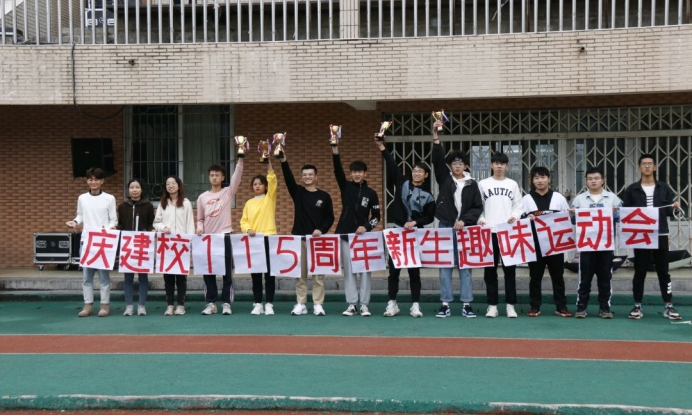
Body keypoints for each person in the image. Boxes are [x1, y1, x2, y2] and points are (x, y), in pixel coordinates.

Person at [377, 137, 436, 318]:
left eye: (420, 171)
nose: (416, 173)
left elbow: (430, 216)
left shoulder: (428, 195)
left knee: (414, 272)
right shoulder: (402, 183)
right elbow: (392, 165)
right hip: (397, 233)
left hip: (415, 236)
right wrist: (382, 147)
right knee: (393, 271)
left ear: (426, 175)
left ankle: (415, 305)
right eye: (414, 170)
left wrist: (416, 222)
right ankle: (392, 303)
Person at [432, 121, 483, 318]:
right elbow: (437, 160)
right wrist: (436, 138)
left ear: (466, 165)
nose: (458, 166)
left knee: (465, 267)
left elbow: (477, 207)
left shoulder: (472, 183)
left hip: (466, 229)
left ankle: (466, 304)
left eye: (461, 163)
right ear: (450, 166)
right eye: (454, 163)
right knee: (445, 266)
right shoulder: (445, 179)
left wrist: (465, 220)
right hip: (446, 227)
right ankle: (445, 304)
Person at [623, 154, 682, 321]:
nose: (647, 166)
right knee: (640, 271)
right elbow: (626, 212)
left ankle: (668, 305)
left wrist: (676, 207)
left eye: (650, 164)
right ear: (639, 168)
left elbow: (670, 212)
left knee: (663, 271)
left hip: (660, 233)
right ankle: (637, 305)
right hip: (641, 235)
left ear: (655, 167)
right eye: (644, 164)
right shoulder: (632, 189)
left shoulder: (664, 188)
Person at [280, 152, 335, 317]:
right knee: (300, 274)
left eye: (310, 174)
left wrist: (321, 230)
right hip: (299, 239)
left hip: (318, 241)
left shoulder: (324, 196)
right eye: (305, 175)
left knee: (318, 275)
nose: (307, 177)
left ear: (316, 177)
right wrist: (284, 161)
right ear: (301, 177)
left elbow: (330, 218)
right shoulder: (298, 192)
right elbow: (288, 178)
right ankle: (301, 303)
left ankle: (318, 304)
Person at [332, 143, 381, 317]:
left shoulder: (371, 193)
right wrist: (335, 151)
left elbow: (376, 217)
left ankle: (364, 305)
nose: (357, 174)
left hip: (364, 237)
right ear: (351, 174)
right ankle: (352, 304)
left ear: (365, 174)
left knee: (366, 270)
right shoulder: (345, 187)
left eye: (360, 171)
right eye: (354, 172)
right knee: (349, 270)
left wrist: (366, 227)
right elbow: (337, 171)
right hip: (346, 235)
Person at [569, 166, 622, 319]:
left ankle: (605, 307)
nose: (593, 181)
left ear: (602, 180)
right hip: (586, 246)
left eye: (596, 178)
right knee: (584, 278)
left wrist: (615, 213)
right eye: (590, 179)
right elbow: (572, 221)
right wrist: (573, 214)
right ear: (586, 181)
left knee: (605, 278)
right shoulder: (579, 199)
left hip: (606, 245)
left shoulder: (612, 198)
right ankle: (581, 307)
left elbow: (622, 217)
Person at [66, 167, 118, 318]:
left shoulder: (109, 198)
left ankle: (104, 305)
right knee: (86, 277)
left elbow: (113, 219)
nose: (93, 182)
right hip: (87, 241)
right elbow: (80, 215)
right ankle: (87, 306)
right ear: (87, 181)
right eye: (90, 179)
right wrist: (75, 222)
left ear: (102, 181)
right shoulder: (82, 198)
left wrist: (110, 228)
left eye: (96, 179)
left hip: (103, 241)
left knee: (103, 276)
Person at [478, 153, 524, 319]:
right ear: (491, 165)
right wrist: (481, 219)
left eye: (502, 164)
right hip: (488, 232)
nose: (499, 166)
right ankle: (492, 306)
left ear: (507, 166)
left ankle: (510, 305)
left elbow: (518, 206)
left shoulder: (512, 184)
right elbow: (477, 206)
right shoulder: (483, 184)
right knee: (490, 271)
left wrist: (515, 216)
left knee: (510, 271)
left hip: (507, 232)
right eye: (496, 163)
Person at [521, 167, 572, 318]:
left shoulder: (559, 198)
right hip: (535, 244)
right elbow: (519, 220)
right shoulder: (526, 199)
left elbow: (567, 218)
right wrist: (526, 219)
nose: (540, 181)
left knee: (558, 277)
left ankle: (561, 307)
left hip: (555, 244)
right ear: (532, 181)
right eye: (536, 178)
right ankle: (534, 306)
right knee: (535, 277)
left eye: (543, 177)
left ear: (549, 179)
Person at [196, 161, 244, 316]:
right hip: (208, 239)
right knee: (208, 271)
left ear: (223, 177)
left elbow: (236, 177)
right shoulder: (202, 197)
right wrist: (199, 227)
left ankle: (226, 303)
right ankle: (211, 303)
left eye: (217, 175)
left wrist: (240, 161)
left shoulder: (227, 192)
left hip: (224, 236)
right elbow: (200, 218)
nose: (214, 177)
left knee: (226, 272)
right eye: (212, 175)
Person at [240, 157, 278, 316]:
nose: (257, 186)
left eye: (260, 184)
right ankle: (257, 303)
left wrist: (268, 163)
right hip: (254, 241)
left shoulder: (270, 198)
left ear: (265, 186)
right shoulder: (249, 203)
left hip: (269, 238)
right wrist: (248, 229)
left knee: (269, 274)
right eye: (255, 184)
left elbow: (272, 178)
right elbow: (244, 221)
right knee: (255, 274)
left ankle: (269, 303)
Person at [153, 176, 195, 316]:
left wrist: (190, 243)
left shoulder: (186, 203)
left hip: (182, 245)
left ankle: (181, 305)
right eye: (168, 184)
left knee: (181, 277)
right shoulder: (163, 203)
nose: (170, 186)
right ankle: (170, 305)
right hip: (167, 245)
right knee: (168, 276)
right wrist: (163, 227)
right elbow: (156, 222)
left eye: (173, 183)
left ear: (179, 185)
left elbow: (190, 224)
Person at [117, 179, 155, 317]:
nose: (134, 190)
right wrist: (115, 229)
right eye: (132, 187)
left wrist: (151, 230)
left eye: (137, 187)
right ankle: (129, 306)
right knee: (128, 277)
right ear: (128, 190)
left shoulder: (148, 206)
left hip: (143, 244)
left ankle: (141, 306)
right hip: (127, 245)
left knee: (143, 277)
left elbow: (151, 223)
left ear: (141, 189)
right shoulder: (122, 206)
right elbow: (121, 224)